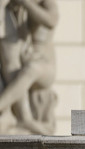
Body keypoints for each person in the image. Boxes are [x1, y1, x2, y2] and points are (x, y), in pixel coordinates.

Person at [0, 0, 58, 134]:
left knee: (32, 68)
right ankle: (24, 118)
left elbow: (51, 20)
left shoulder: (47, 4)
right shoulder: (17, 9)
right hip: (27, 63)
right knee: (14, 62)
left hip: (45, 68)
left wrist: (25, 3)